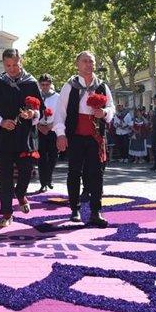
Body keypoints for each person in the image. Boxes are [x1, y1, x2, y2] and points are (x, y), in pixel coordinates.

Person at [53, 51, 116, 228]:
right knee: (74, 173)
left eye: (91, 61)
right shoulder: (69, 86)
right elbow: (60, 112)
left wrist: (103, 112)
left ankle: (96, 211)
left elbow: (111, 108)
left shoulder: (102, 86)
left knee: (96, 174)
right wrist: (61, 134)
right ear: (77, 64)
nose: (88, 64)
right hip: (75, 136)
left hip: (95, 137)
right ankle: (75, 209)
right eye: (85, 61)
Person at [0, 48, 43, 228]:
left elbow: (41, 107)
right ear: (3, 64)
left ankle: (21, 193)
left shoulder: (31, 83)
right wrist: (1, 123)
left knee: (26, 171)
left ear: (21, 61)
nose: (12, 69)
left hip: (26, 138)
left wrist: (32, 113)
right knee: (5, 177)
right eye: (8, 65)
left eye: (15, 65)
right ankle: (6, 213)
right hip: (5, 139)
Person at [37, 73, 60, 192]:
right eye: (42, 84)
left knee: (52, 156)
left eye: (47, 84)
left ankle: (49, 178)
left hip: (53, 129)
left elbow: (61, 113)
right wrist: (38, 125)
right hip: (40, 129)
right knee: (41, 157)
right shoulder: (36, 96)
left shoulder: (57, 97)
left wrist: (51, 125)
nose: (45, 87)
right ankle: (43, 182)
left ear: (50, 84)